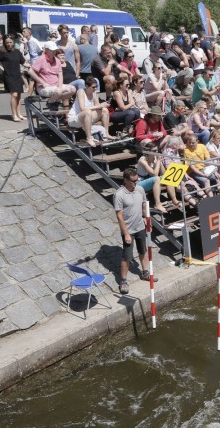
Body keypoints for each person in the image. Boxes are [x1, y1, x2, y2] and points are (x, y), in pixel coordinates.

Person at [114, 167, 156, 295]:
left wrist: (146, 219)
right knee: (126, 256)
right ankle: (123, 281)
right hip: (128, 230)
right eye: (133, 181)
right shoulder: (119, 194)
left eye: (137, 180)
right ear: (126, 180)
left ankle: (145, 273)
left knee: (143, 250)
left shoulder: (140, 189)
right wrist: (126, 233)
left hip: (140, 227)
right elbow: (119, 216)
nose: (136, 183)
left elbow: (144, 205)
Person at [0, 35, 27, 122]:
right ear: (4, 43)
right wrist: (0, 66)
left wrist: (30, 65)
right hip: (8, 76)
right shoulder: (2, 52)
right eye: (7, 43)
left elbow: (23, 62)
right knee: (14, 95)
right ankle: (14, 114)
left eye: (10, 42)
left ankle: (19, 114)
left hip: (17, 75)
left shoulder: (17, 52)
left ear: (13, 42)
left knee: (18, 95)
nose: (9, 44)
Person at [67, 77, 111, 147]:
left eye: (96, 87)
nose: (95, 89)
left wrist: (103, 105)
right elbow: (82, 108)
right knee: (88, 112)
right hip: (74, 119)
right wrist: (99, 106)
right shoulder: (81, 91)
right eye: (93, 87)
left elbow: (97, 107)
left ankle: (106, 134)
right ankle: (89, 137)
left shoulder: (95, 93)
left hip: (86, 117)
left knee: (104, 110)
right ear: (87, 86)